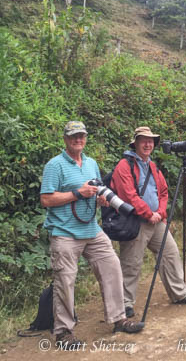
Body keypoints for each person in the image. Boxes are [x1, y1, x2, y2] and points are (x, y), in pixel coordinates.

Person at [40, 121, 144, 349]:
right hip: (64, 233)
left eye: (82, 136)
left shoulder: (91, 163)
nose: (78, 139)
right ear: (65, 139)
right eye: (73, 136)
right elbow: (46, 199)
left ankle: (119, 319)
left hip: (92, 230)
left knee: (112, 267)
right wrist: (77, 193)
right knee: (65, 281)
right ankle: (64, 332)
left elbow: (95, 193)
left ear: (86, 138)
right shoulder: (54, 165)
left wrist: (100, 200)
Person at [109, 126, 186, 318]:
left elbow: (164, 191)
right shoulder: (124, 166)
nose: (148, 144)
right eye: (144, 140)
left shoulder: (152, 166)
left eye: (151, 141)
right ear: (135, 143)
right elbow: (128, 195)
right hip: (135, 221)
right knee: (131, 263)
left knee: (170, 253)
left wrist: (160, 212)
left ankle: (179, 293)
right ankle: (125, 304)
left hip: (157, 221)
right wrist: (148, 213)